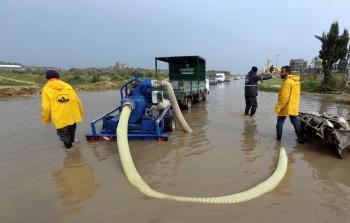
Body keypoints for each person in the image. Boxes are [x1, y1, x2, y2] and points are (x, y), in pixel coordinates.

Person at [41, 70, 84, 149]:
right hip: (72, 115)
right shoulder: (67, 86)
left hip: (60, 117)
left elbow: (46, 107)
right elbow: (77, 100)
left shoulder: (46, 89)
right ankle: (73, 143)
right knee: (72, 130)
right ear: (58, 77)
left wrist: (46, 119)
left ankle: (70, 151)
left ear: (47, 78)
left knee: (64, 135)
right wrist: (80, 113)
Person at [274, 66, 303, 143]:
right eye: (281, 71)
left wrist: (278, 107)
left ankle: (278, 140)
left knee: (280, 122)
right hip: (293, 106)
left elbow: (284, 98)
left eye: (282, 72)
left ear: (287, 72)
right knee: (296, 121)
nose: (281, 73)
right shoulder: (296, 81)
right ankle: (300, 139)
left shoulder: (287, 82)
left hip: (285, 106)